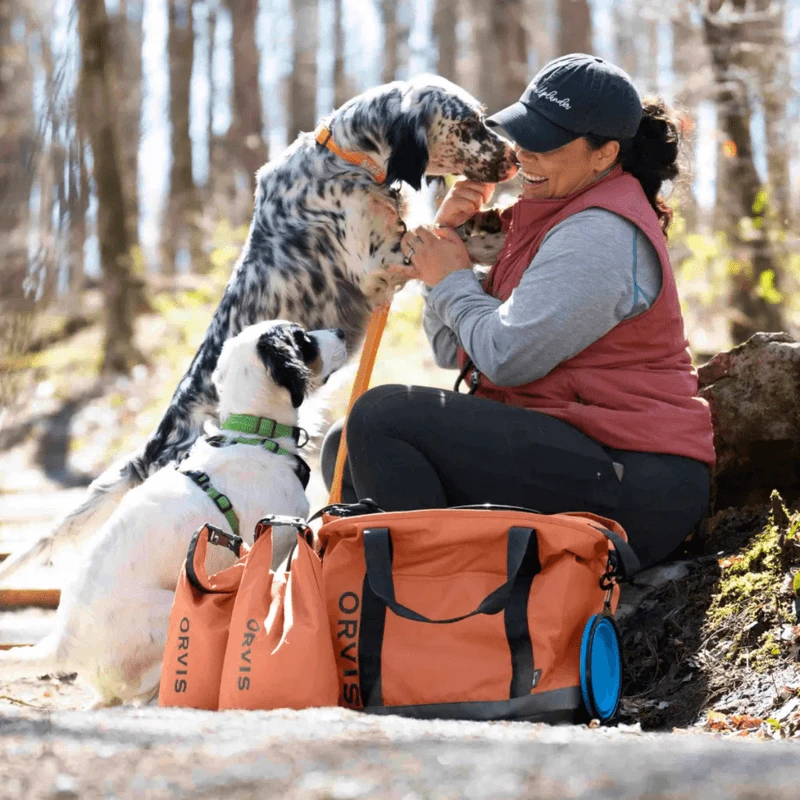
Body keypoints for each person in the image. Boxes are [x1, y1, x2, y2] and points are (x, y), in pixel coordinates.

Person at [320, 54, 715, 571]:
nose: (524, 152)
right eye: (524, 132)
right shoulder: (547, 215)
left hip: (635, 480)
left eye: (546, 141)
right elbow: (454, 351)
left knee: (380, 419)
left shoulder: (601, 233)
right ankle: (417, 611)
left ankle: (434, 606)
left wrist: (453, 278)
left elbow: (505, 356)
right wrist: (450, 242)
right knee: (345, 451)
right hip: (572, 451)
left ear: (604, 155)